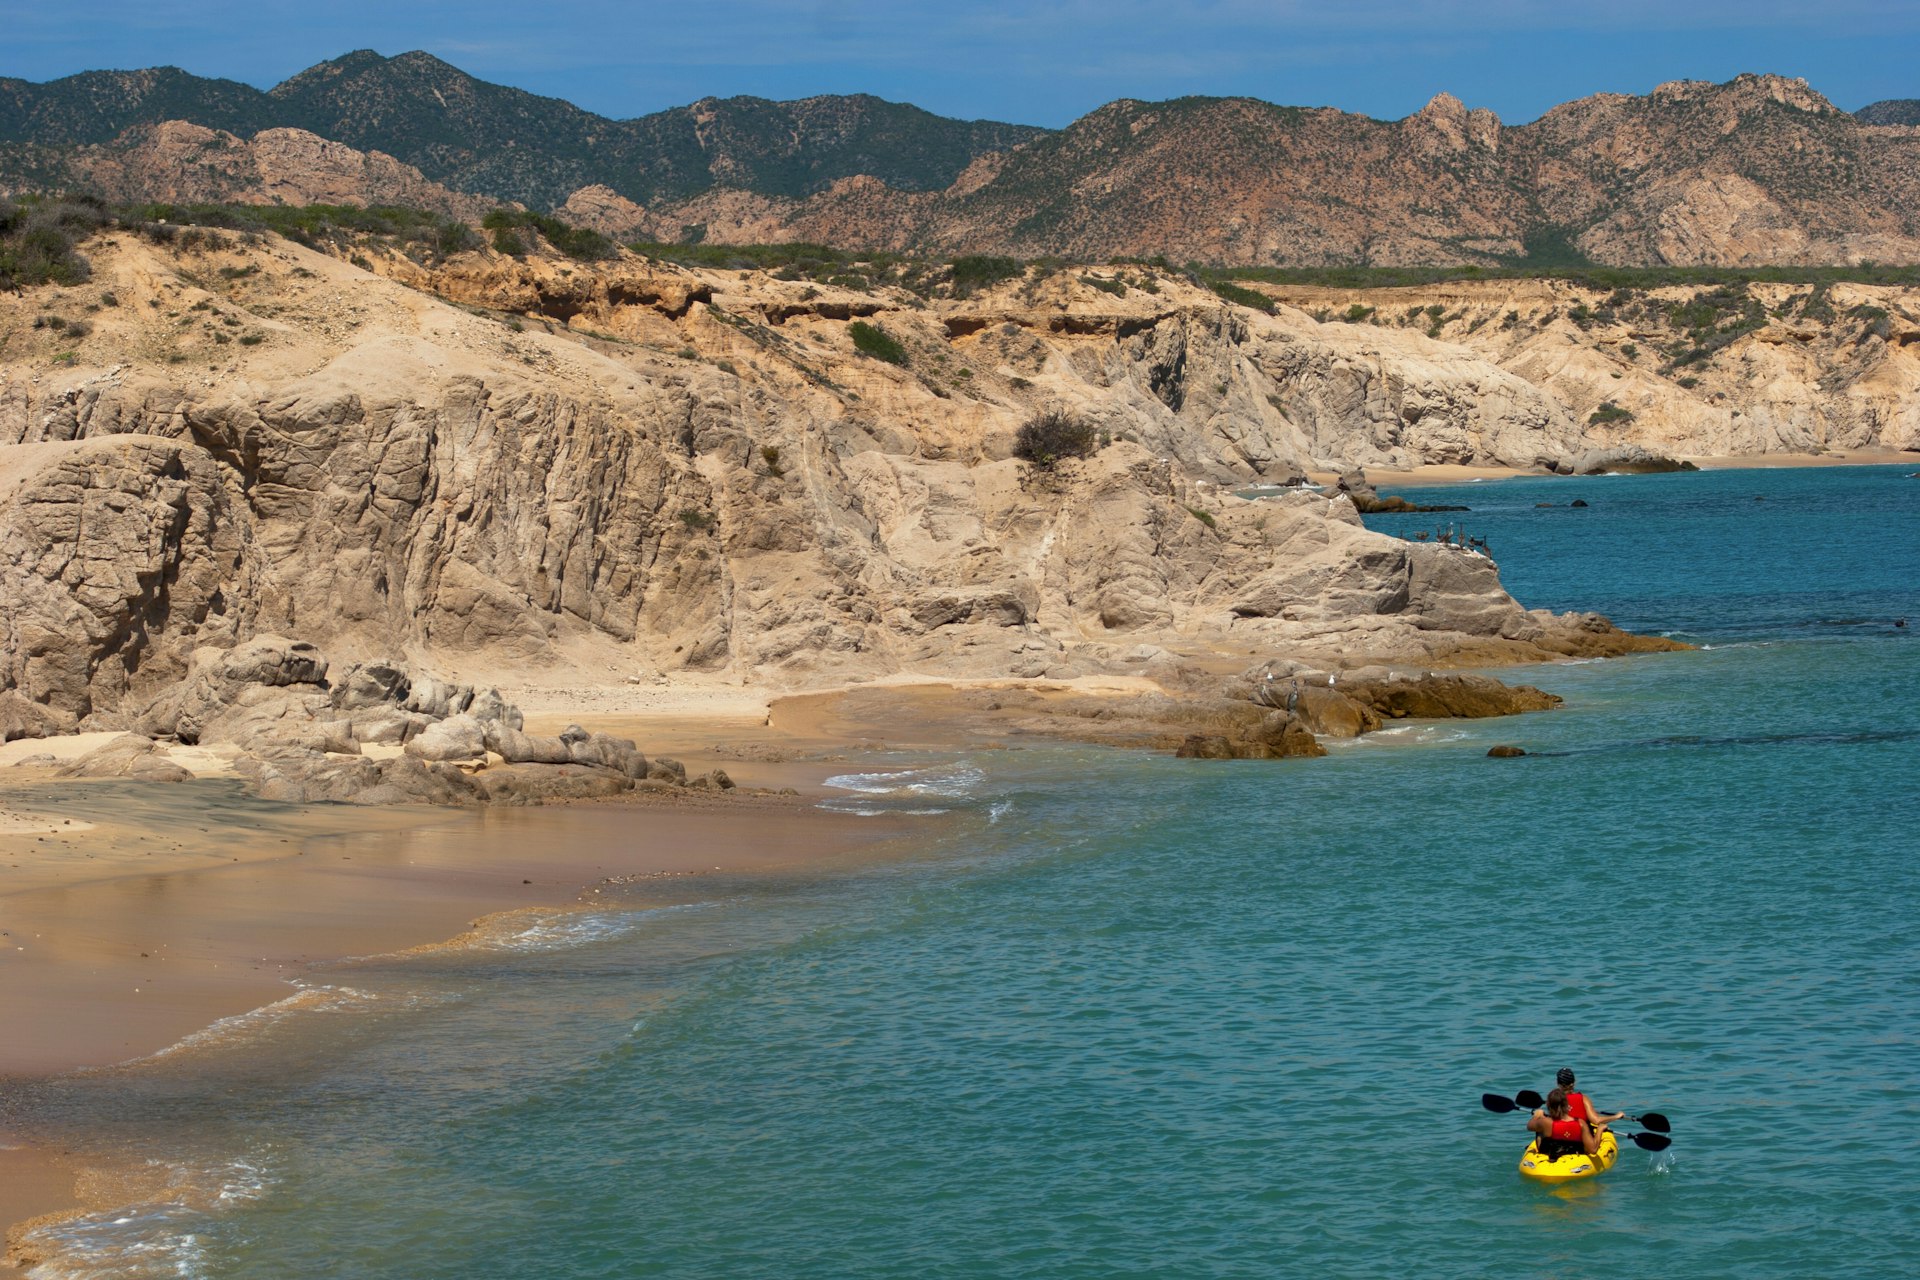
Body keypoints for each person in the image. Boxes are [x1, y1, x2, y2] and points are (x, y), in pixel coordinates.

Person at [1528, 1087, 1600, 1159]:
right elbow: (1593, 1150)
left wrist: (1537, 1115)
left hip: (1550, 1156)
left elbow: (1529, 1126)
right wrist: (1600, 1129)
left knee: (1539, 1131)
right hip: (1574, 1157)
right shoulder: (1581, 1123)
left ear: (1548, 1105)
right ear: (1567, 1105)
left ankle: (1541, 1155)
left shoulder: (1545, 1122)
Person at [1556, 1067, 1624, 1129]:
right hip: (1581, 1138)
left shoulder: (1554, 1098)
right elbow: (1596, 1121)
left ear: (1558, 1084)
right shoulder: (1583, 1098)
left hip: (1560, 1136)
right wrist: (1616, 1116)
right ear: (1574, 1082)